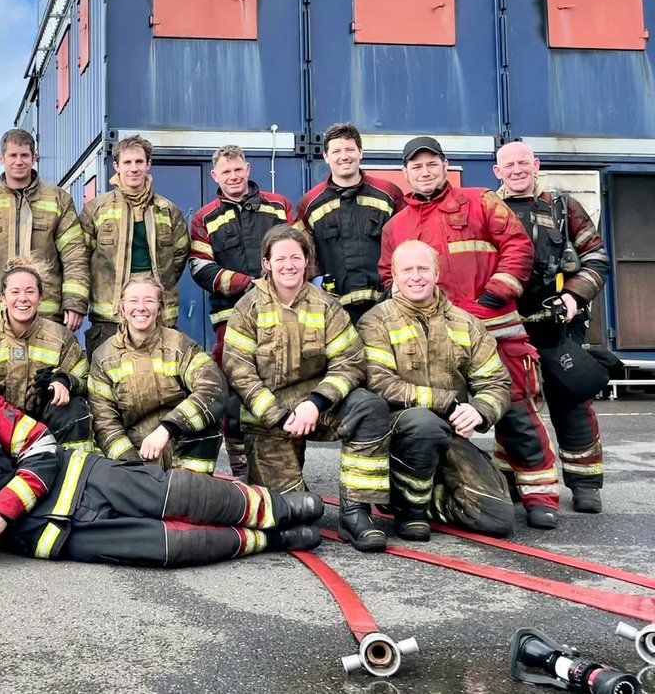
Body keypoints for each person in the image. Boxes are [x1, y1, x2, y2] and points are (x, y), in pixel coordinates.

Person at [0, 372, 325, 564]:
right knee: (166, 548)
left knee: (176, 495)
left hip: (82, 478)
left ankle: (283, 508)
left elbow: (41, 449)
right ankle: (273, 540)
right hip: (52, 535)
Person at [380, 136, 560, 529]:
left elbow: (518, 246)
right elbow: (388, 277)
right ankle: (448, 490)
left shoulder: (480, 201)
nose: (425, 172)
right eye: (416, 166)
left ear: (445, 166)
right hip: (431, 344)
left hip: (497, 332)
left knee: (515, 413)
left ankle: (539, 494)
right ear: (406, 172)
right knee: (431, 417)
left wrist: (494, 297)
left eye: (432, 164)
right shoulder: (397, 225)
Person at [222, 225, 391, 552]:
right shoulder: (248, 308)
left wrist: (316, 402)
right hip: (269, 418)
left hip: (319, 408)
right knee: (295, 518)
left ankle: (356, 512)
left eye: (296, 258)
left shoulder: (326, 305)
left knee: (369, 406)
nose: (289, 265)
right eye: (280, 258)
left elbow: (351, 361)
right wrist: (276, 414)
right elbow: (238, 370)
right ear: (267, 263)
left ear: (307, 261)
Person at [360, 240, 514, 541]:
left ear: (437, 272)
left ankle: (414, 496)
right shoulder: (376, 321)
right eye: (407, 270)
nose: (415, 277)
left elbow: (496, 381)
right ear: (393, 274)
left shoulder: (465, 323)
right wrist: (448, 404)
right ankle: (409, 510)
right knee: (423, 423)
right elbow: (379, 382)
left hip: (449, 433)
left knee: (497, 518)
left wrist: (480, 410)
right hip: (397, 432)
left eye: (422, 268)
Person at [495, 141, 611, 513]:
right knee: (512, 406)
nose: (516, 170)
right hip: (507, 324)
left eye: (522, 163)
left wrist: (575, 296)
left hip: (559, 325)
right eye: (508, 165)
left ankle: (585, 483)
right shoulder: (485, 208)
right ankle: (514, 480)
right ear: (497, 171)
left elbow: (596, 256)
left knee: (571, 401)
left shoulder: (564, 208)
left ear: (536, 165)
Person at [189, 144, 292, 479]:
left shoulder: (280, 207)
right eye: (225, 172)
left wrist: (274, 289)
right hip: (230, 321)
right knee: (233, 396)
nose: (233, 177)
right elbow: (201, 268)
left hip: (281, 315)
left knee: (278, 384)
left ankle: (280, 464)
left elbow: (300, 252)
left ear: (247, 169)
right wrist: (250, 285)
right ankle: (241, 468)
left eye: (238, 170)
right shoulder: (204, 218)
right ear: (214, 175)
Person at [0, 259, 94, 450]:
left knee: (74, 407)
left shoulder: (62, 338)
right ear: (3, 298)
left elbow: (84, 380)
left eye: (30, 291)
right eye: (15, 292)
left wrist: (64, 381)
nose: (23, 298)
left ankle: (77, 470)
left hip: (48, 429)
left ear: (40, 297)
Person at [87, 277, 225, 473]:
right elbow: (104, 422)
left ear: (160, 308)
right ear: (122, 307)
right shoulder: (104, 357)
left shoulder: (180, 345)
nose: (141, 307)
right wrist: (133, 468)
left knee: (206, 421)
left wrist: (168, 429)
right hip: (136, 454)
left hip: (181, 445)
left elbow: (213, 387)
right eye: (133, 301)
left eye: (149, 301)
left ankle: (190, 494)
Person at [0, 128, 90, 331]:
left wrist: (74, 301)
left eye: (25, 155)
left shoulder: (58, 199)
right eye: (13, 155)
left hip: (47, 311)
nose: (19, 161)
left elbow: (75, 254)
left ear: (35, 157)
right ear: (1, 158)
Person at [80, 135, 189, 358]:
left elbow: (178, 257)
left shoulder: (168, 210)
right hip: (108, 317)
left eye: (139, 162)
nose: (134, 168)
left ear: (148, 164)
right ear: (116, 166)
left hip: (158, 314)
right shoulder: (96, 210)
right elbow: (82, 258)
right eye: (127, 162)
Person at [297, 123, 405, 323]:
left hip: (388, 305)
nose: (344, 156)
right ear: (326, 157)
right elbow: (304, 255)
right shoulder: (310, 204)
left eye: (350, 149)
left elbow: (406, 244)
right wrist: (317, 283)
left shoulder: (389, 194)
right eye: (336, 151)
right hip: (335, 310)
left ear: (360, 153)